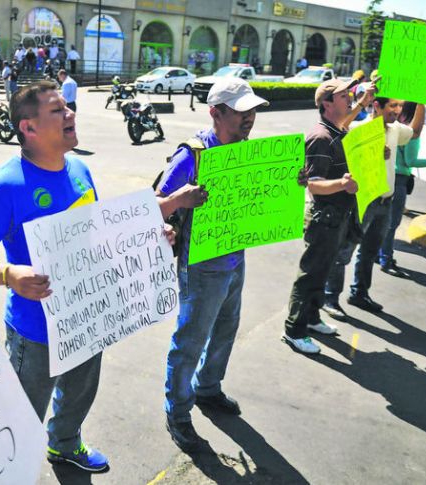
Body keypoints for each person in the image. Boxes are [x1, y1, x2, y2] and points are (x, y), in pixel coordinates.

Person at [0, 80, 110, 474]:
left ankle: (64, 444)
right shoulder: (3, 187)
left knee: (79, 392)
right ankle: (5, 470)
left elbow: (98, 231)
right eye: (58, 110)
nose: (71, 114)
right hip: (35, 329)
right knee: (21, 413)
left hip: (88, 316)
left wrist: (149, 237)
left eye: (68, 107)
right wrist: (9, 275)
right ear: (28, 127)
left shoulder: (81, 169)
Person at [155, 78, 269, 452]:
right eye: (241, 112)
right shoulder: (193, 155)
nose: (249, 118)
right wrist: (178, 199)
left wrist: (291, 184)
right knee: (189, 341)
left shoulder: (245, 150)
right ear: (215, 112)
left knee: (225, 329)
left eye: (252, 110)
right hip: (200, 265)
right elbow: (153, 202)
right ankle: (178, 411)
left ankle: (208, 388)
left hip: (235, 258)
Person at [282, 78, 365, 355]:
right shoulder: (321, 137)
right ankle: (294, 330)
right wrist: (342, 184)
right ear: (327, 104)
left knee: (324, 270)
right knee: (310, 274)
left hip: (337, 216)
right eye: (344, 95)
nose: (350, 98)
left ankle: (313, 318)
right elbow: (313, 184)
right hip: (323, 217)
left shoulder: (337, 130)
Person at [322, 95, 415, 318]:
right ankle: (329, 297)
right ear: (377, 106)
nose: (397, 110)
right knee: (344, 251)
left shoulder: (395, 130)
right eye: (392, 106)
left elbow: (416, 131)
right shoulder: (359, 127)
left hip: (386, 202)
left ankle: (359, 294)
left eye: (400, 106)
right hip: (363, 202)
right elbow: (340, 127)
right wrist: (363, 101)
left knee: (370, 251)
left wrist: (419, 100)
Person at [377, 101, 426, 277]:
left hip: (389, 178)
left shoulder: (396, 128)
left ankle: (378, 254)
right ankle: (386, 259)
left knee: (383, 222)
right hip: (399, 181)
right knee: (392, 223)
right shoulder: (409, 134)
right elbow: (411, 162)